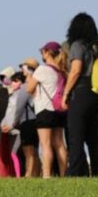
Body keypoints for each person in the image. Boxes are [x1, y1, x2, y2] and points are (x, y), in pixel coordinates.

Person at [62, 12, 98, 177]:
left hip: (81, 91)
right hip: (95, 93)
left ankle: (76, 173)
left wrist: (66, 93)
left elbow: (76, 70)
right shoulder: (95, 47)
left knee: (76, 135)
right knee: (92, 135)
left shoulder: (77, 45)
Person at [26, 41, 68, 178]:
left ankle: (47, 175)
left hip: (44, 109)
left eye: (42, 51)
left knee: (46, 144)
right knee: (60, 143)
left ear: (47, 52)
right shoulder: (62, 71)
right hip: (59, 110)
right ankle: (63, 174)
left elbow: (29, 89)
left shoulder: (42, 70)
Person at [17, 58, 41, 177]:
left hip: (26, 121)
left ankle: (28, 174)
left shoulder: (25, 86)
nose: (22, 70)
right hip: (37, 120)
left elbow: (19, 106)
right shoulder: (39, 85)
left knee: (28, 151)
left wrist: (13, 122)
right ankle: (36, 173)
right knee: (35, 150)